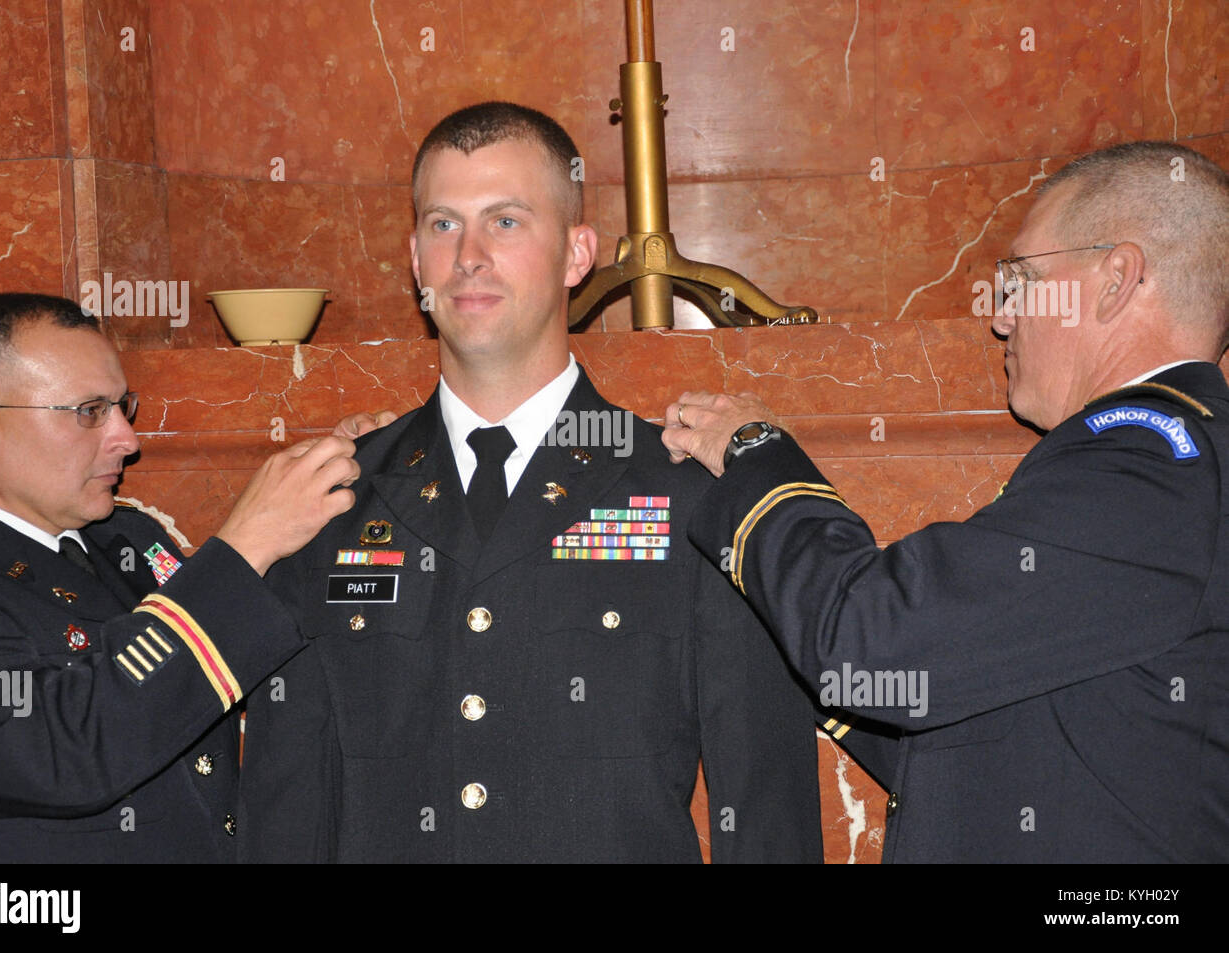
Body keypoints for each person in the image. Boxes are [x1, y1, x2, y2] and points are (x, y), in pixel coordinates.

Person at [239, 102, 832, 863]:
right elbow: (288, 809)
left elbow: (764, 808)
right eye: (443, 224)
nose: (470, 256)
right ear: (415, 259)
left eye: (507, 221)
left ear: (577, 254)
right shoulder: (330, 501)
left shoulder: (685, 493)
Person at [663, 140, 1229, 862]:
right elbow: (991, 744)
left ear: (1117, 278)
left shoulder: (1154, 464)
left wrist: (755, 455)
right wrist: (786, 628)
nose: (999, 317)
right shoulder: (1171, 460)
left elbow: (877, 636)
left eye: (1020, 278)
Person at [0, 292, 360, 862]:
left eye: (121, 406)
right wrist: (244, 544)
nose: (127, 440)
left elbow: (232, 651)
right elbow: (63, 748)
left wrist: (355, 476)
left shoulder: (123, 540)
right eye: (88, 411)